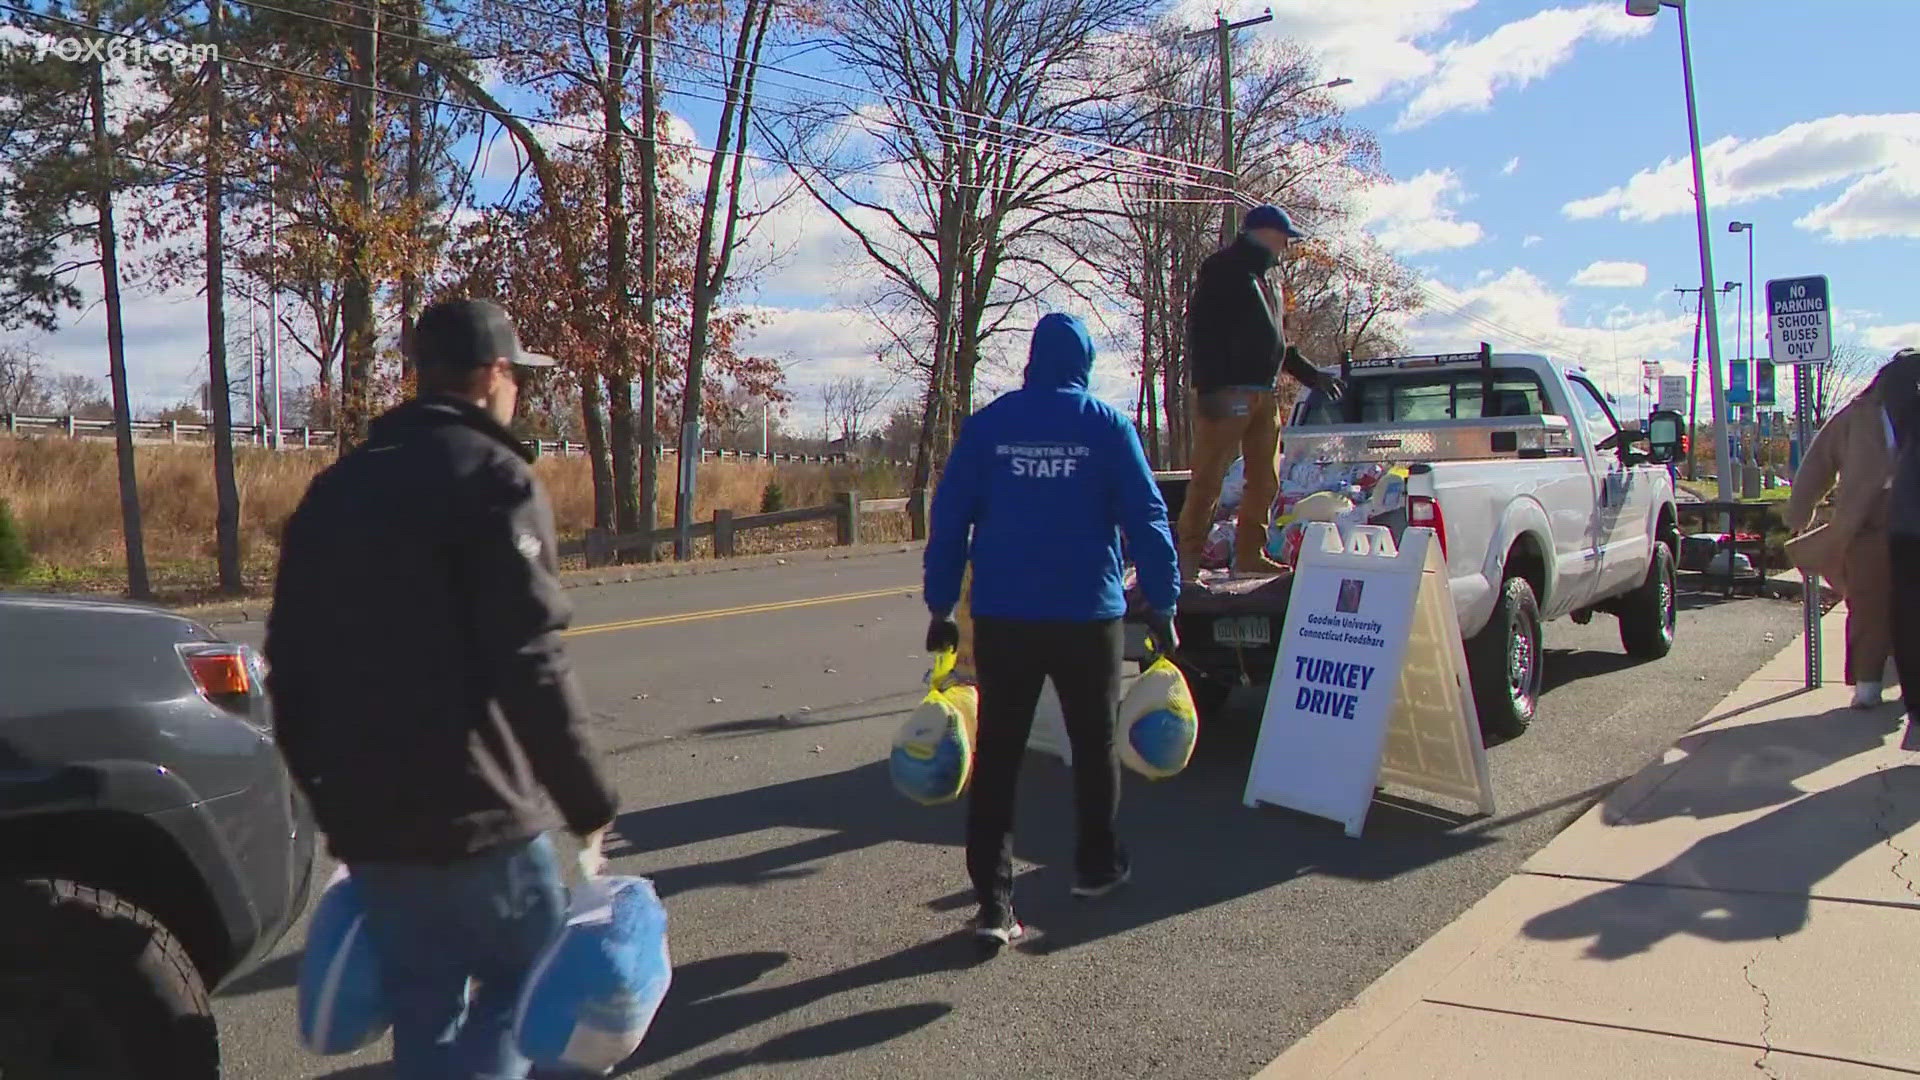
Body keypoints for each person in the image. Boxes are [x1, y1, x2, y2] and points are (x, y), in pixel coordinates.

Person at [266, 298, 619, 1080]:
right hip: (479, 816)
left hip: (372, 816)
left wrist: (328, 795)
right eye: (516, 377)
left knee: (425, 1004)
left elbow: (286, 662)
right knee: (525, 994)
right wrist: (587, 800)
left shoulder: (336, 490)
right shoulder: (496, 479)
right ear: (495, 375)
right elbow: (530, 659)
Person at [923, 312, 1181, 957]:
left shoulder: (990, 428)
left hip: (1006, 615)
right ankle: (1096, 868)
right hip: (1086, 615)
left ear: (1033, 360)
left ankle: (993, 903)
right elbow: (1149, 519)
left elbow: (950, 518)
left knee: (1000, 754)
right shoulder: (1106, 427)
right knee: (1093, 745)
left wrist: (941, 605)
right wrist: (1164, 602)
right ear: (1085, 363)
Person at [1175, 203, 1344, 581]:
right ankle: (1187, 561)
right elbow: (1202, 333)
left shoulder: (1271, 281)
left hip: (1263, 393)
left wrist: (1311, 375)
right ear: (1263, 233)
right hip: (1227, 391)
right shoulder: (1223, 269)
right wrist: (1211, 388)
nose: (1286, 245)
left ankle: (1251, 553)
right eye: (1283, 237)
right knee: (1209, 477)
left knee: (1265, 479)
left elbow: (1279, 343)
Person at [1787, 350, 1918, 710]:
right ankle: (1867, 681)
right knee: (1868, 603)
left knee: (1909, 607)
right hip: (1867, 522)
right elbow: (1820, 460)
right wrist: (1800, 509)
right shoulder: (1858, 416)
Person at [1876, 348, 1920, 733]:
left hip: (1908, 524)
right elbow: (1899, 373)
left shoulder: (1908, 410)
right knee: (1908, 617)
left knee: (1908, 617)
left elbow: (1897, 374)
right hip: (1909, 524)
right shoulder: (1911, 410)